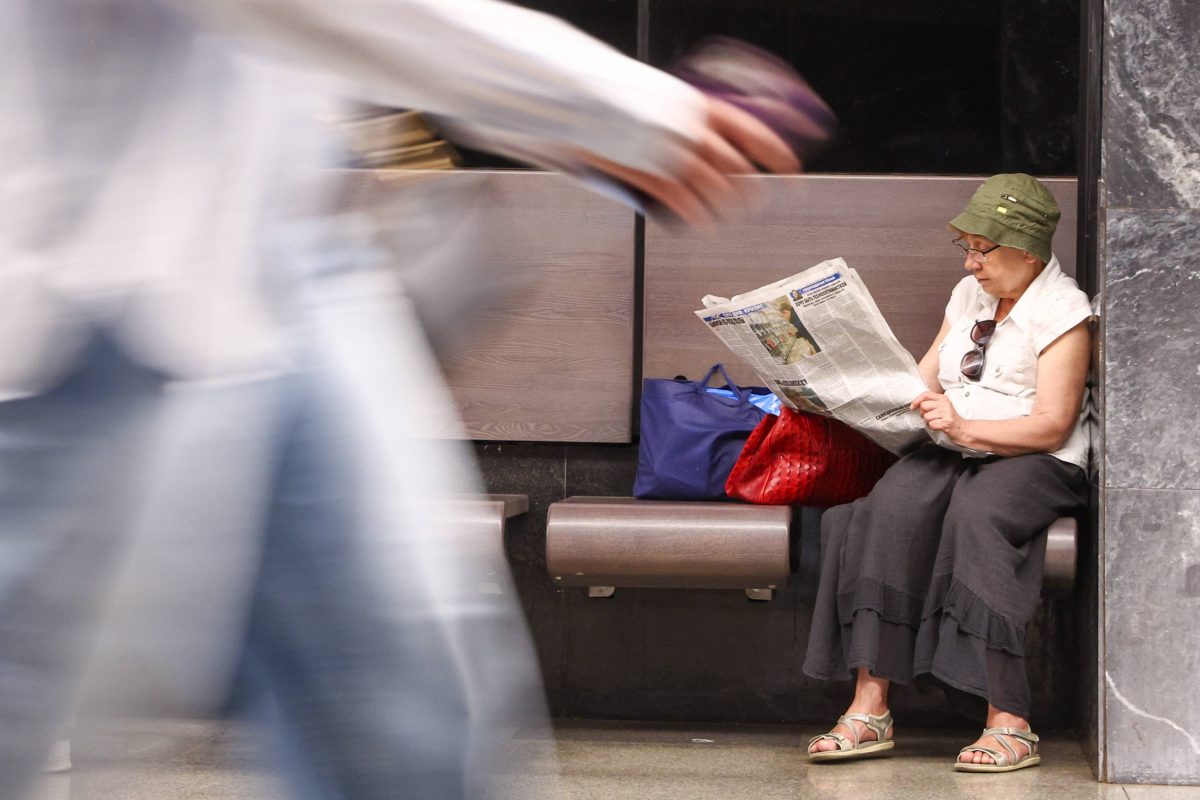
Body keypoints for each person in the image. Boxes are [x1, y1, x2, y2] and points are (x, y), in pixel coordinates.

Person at [0, 2, 800, 799]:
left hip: (273, 254)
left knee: (399, 698)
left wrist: (562, 121)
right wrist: (609, 103)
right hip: (69, 292)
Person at [802, 174, 1092, 773]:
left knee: (977, 516)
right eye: (967, 247)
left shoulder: (1065, 310)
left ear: (1028, 250)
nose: (971, 263)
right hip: (957, 443)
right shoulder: (968, 297)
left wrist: (962, 428)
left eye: (983, 249)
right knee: (889, 507)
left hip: (1033, 457)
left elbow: (1052, 425)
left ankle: (1009, 720)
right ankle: (870, 707)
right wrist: (840, 389)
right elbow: (923, 380)